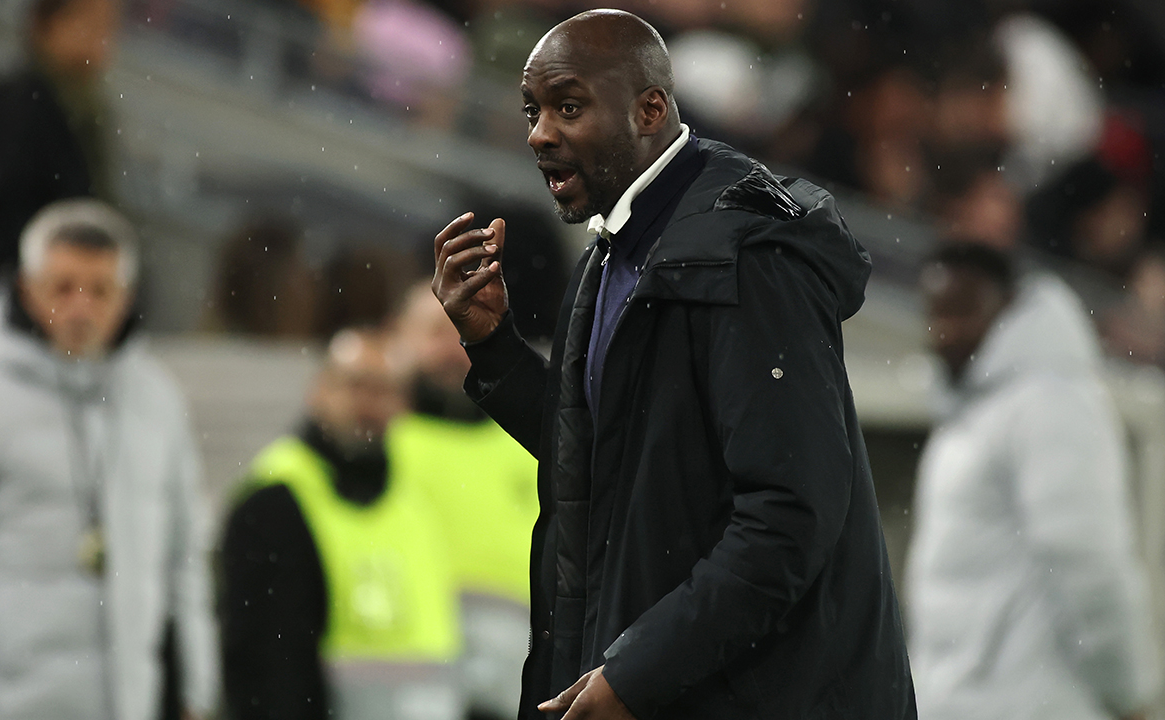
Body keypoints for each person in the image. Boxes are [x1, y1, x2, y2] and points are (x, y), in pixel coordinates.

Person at [431, 9, 914, 719]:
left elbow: (788, 516)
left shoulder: (744, 253)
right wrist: (494, 345)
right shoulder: (615, 253)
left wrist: (638, 673)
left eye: (569, 107)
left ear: (650, 110)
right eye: (533, 111)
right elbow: (611, 458)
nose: (540, 133)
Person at [0, 199, 219, 720]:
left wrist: (196, 690)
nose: (81, 308)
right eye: (63, 287)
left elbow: (185, 558)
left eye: (100, 290)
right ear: (27, 288)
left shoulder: (157, 401)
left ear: (127, 297)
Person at [905, 242, 1159, 720]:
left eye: (962, 312)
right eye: (935, 314)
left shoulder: (1051, 402)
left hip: (1032, 704)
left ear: (1007, 307)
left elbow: (1088, 561)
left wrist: (1129, 693)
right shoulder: (975, 407)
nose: (943, 332)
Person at [220, 328, 463, 720]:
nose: (368, 405)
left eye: (383, 390)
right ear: (318, 392)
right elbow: (265, 669)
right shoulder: (274, 503)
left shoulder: (418, 503)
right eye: (354, 385)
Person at [387, 283, 538, 720]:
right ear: (398, 337)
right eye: (436, 331)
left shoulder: (532, 442)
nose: (453, 349)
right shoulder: (372, 452)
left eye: (462, 331)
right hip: (411, 687)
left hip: (518, 688)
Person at [0, 0, 119, 270]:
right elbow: (10, 207)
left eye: (109, 27)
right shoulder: (26, 103)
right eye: (93, 25)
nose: (104, 40)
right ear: (51, 25)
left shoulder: (78, 105)